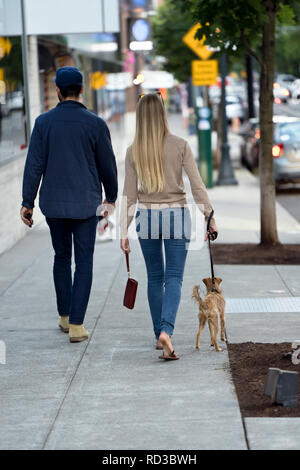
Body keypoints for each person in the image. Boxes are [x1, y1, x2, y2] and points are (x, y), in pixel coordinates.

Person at [21, 66, 118, 343]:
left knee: (61, 257)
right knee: (84, 261)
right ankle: (77, 325)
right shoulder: (95, 124)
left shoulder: (43, 123)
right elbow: (107, 166)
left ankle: (64, 316)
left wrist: (28, 202)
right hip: (86, 205)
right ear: (82, 90)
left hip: (54, 205)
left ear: (58, 91)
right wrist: (110, 198)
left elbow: (34, 165)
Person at [120, 92, 217, 360]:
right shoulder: (180, 145)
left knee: (155, 277)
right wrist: (210, 217)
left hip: (147, 218)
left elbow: (128, 194)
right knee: (173, 277)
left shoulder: (133, 151)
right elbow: (197, 186)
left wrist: (123, 230)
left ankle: (158, 334)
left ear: (140, 117)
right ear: (163, 114)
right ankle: (167, 331)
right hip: (175, 216)